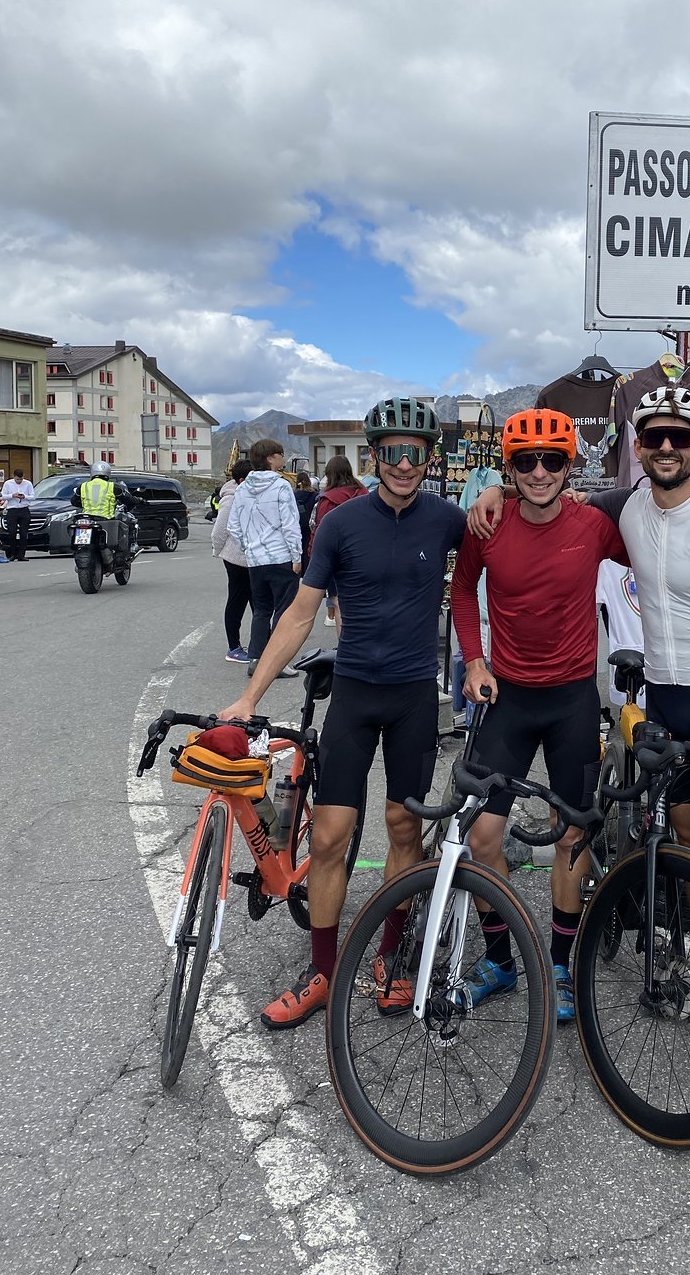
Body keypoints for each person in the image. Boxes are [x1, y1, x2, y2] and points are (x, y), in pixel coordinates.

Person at [469, 385, 690, 1083]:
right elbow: (545, 506)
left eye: (679, 438)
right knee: (688, 844)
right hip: (663, 700)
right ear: (638, 449)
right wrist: (492, 497)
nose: (665, 448)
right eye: (653, 437)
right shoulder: (621, 510)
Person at [219, 396, 464, 1030]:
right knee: (328, 838)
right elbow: (299, 613)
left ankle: (388, 959)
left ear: (429, 457)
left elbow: (515, 537)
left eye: (414, 453)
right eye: (391, 452)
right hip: (354, 693)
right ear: (374, 455)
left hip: (414, 696)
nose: (403, 463)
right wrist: (250, 696)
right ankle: (324, 971)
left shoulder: (448, 519)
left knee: (403, 831)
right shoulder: (340, 522)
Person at [451, 410, 627, 1022]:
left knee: (571, 835)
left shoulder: (595, 525)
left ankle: (558, 962)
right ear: (510, 466)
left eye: (552, 459)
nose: (540, 472)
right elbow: (462, 591)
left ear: (569, 462)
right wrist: (474, 661)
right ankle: (501, 958)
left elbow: (659, 530)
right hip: (511, 698)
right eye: (525, 461)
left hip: (573, 698)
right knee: (483, 835)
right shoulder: (488, 522)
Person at [226, 439, 302, 681]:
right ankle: (277, 662)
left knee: (261, 610)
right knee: (284, 612)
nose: (283, 458)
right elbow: (290, 524)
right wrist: (297, 555)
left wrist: (248, 546)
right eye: (280, 454)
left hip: (255, 560)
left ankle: (256, 659)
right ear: (270, 458)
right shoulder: (281, 487)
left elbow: (233, 526)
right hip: (280, 557)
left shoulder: (242, 488)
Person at [312, 455, 366, 630]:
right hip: (365, 555)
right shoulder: (363, 492)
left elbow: (321, 533)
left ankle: (345, 646)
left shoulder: (329, 499)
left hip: (339, 559)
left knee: (339, 603)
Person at [211, 459, 254, 663]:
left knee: (258, 601)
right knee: (238, 600)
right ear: (242, 479)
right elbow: (219, 531)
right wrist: (220, 552)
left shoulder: (247, 494)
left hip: (251, 558)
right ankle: (233, 647)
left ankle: (259, 644)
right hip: (236, 558)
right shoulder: (230, 498)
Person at [70, 461, 140, 558]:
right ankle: (130, 548)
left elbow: (74, 501)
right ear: (107, 473)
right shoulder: (112, 486)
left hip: (86, 519)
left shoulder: (83, 486)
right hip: (105, 519)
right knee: (126, 525)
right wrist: (139, 500)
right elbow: (129, 499)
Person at [0, 467, 36, 561]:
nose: (19, 481)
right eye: (17, 479)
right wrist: (12, 495)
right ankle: (12, 553)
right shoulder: (8, 483)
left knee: (24, 533)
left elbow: (33, 496)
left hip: (24, 509)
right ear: (13, 477)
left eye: (21, 479)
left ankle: (21, 554)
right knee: (12, 532)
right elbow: (2, 496)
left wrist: (25, 496)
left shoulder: (28, 484)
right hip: (12, 510)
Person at [293, 469, 318, 565]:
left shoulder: (293, 495)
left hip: (297, 526)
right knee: (308, 547)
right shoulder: (315, 496)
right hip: (309, 527)